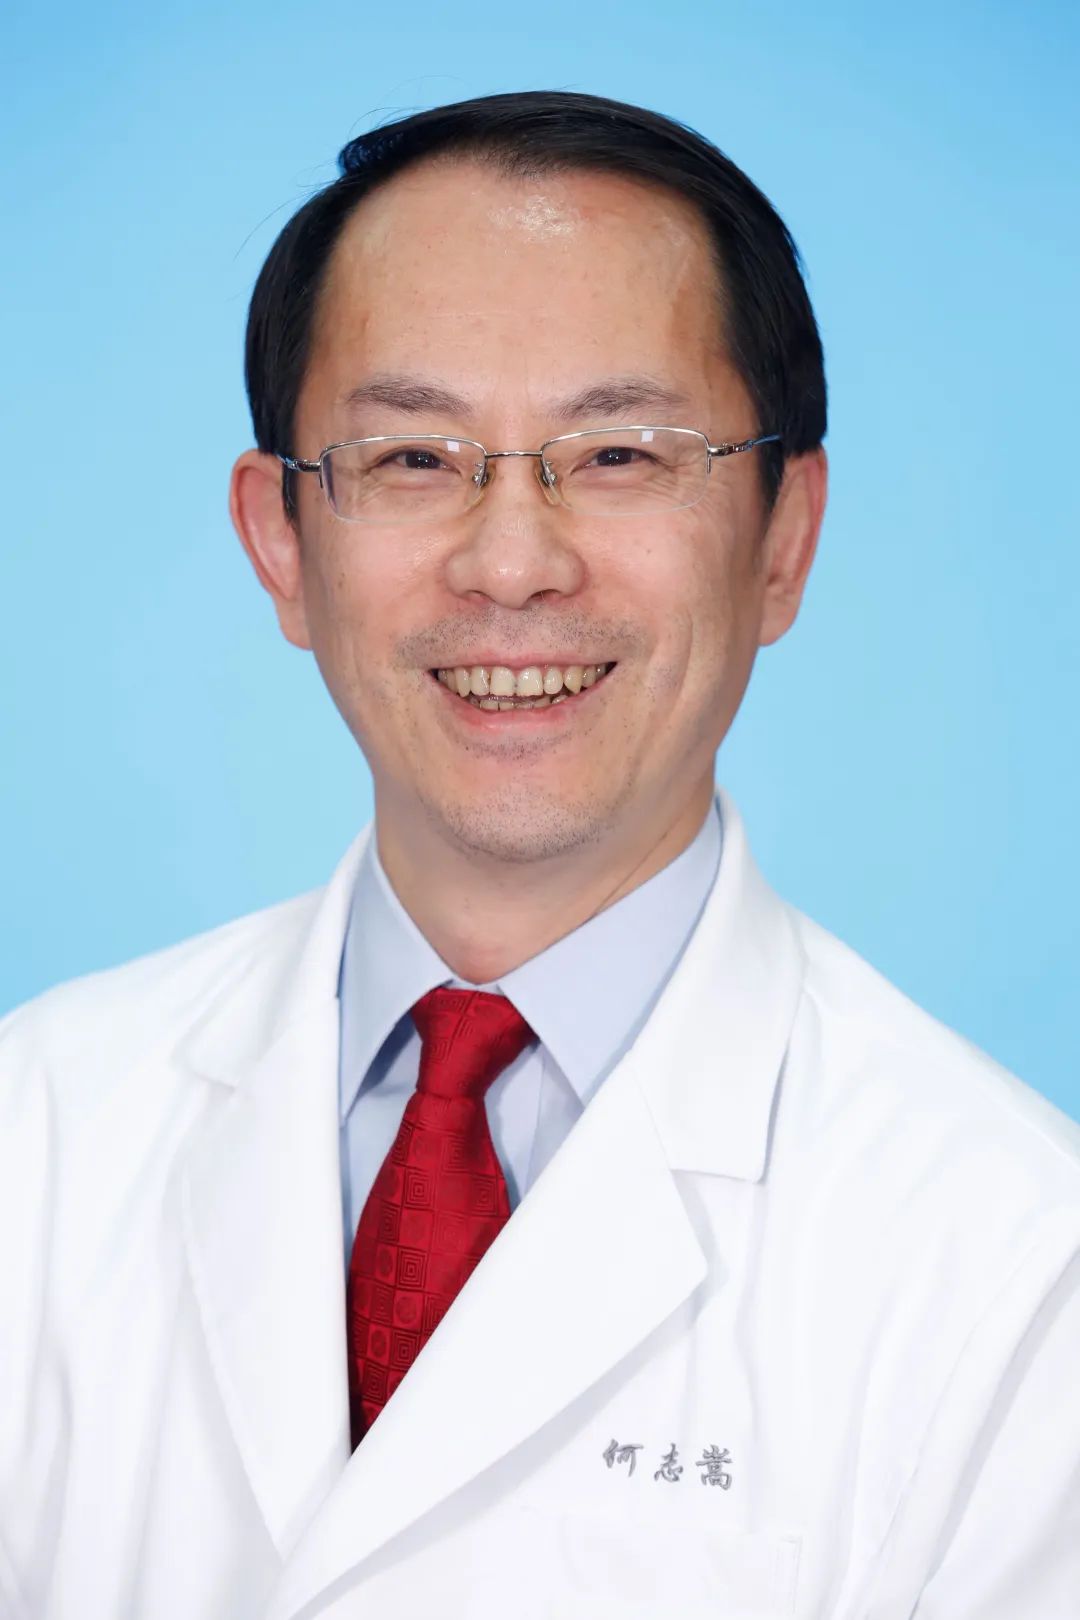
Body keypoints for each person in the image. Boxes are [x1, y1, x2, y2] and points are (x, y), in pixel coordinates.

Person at [1, 88, 1077, 1620]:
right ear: (281, 543)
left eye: (622, 453)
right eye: (411, 458)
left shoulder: (1020, 1270)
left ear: (783, 538)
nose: (512, 563)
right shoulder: (38, 1132)